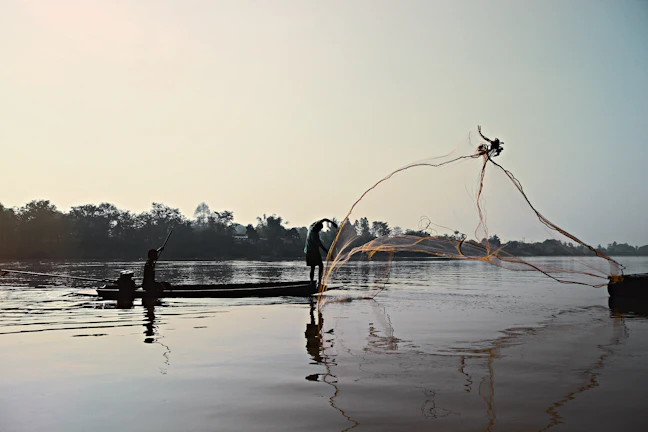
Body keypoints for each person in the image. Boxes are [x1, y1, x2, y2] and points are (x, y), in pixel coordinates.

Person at [304, 218, 338, 285]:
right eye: (319, 230)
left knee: (313, 267)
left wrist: (332, 223)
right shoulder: (314, 235)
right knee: (320, 266)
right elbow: (321, 246)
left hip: (308, 251)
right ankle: (319, 282)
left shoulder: (312, 226)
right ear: (317, 229)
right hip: (312, 251)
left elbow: (324, 219)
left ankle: (312, 282)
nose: (319, 231)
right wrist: (329, 254)